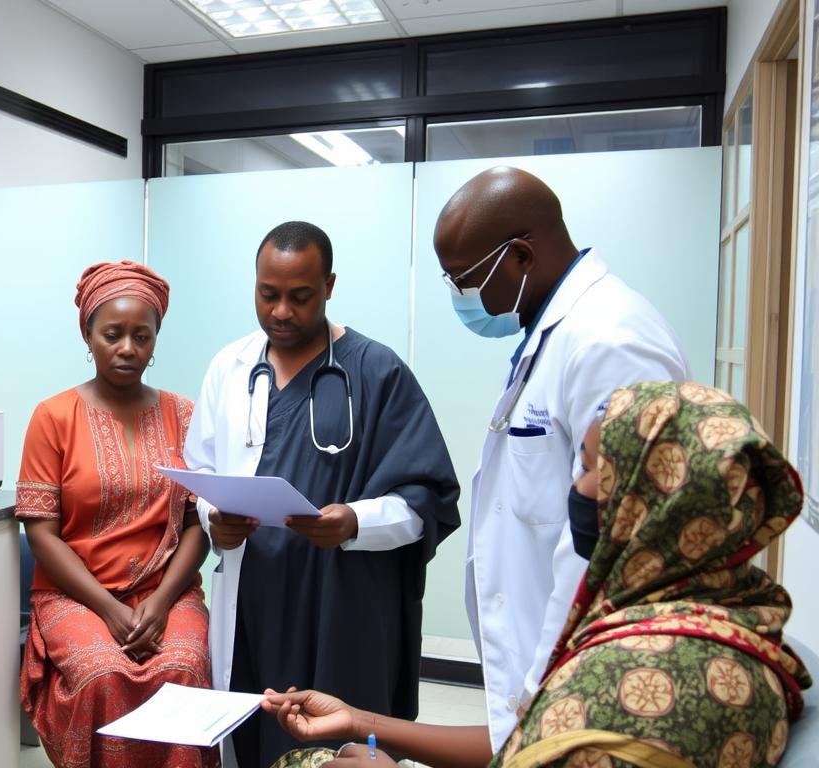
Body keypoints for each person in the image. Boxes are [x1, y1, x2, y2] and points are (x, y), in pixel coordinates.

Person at [262, 381, 812, 768]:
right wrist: (360, 722)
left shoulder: (645, 685)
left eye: (594, 467)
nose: (578, 485)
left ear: (654, 499)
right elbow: (532, 741)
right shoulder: (705, 616)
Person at [183, 221, 461, 768]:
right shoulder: (230, 367)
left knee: (338, 743)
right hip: (254, 596)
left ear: (329, 285)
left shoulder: (377, 371)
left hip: (343, 602)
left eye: (300, 296)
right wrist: (214, 515)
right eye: (268, 294)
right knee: (252, 729)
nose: (281, 311)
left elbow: (430, 498)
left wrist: (355, 522)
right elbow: (202, 468)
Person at [434, 167, 690, 749]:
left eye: (463, 280)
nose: (459, 297)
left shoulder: (612, 342)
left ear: (521, 256)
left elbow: (607, 543)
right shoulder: (554, 332)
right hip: (545, 670)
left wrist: (540, 682)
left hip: (577, 670)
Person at [17, 260, 216, 768]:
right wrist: (110, 609)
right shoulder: (53, 416)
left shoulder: (185, 414)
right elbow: (41, 533)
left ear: (155, 340)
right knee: (101, 674)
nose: (128, 348)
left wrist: (162, 602)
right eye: (112, 334)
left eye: (141, 336)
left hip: (166, 590)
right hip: (75, 594)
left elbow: (199, 526)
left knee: (186, 667)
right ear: (87, 334)